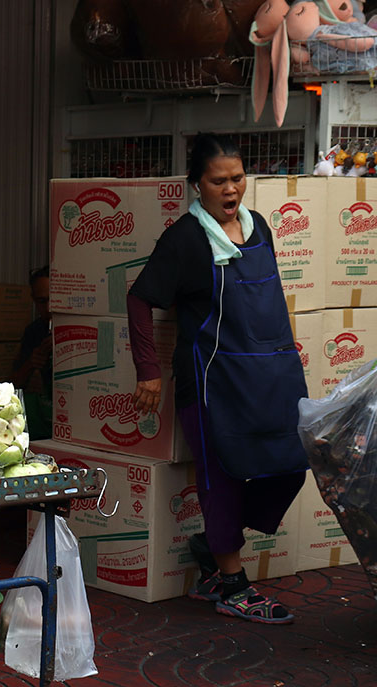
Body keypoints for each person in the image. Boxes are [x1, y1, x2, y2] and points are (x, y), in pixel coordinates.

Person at [128, 133, 306, 624]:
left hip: (269, 379)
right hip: (211, 383)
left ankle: (214, 540)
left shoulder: (261, 228)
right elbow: (139, 299)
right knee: (222, 481)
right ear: (196, 186)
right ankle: (229, 583)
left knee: (293, 462)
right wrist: (148, 371)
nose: (231, 190)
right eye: (218, 181)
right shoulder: (186, 238)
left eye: (237, 178)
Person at [10, 265, 53, 437]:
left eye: (54, 299)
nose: (49, 308)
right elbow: (13, 384)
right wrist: (31, 363)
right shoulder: (34, 331)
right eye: (42, 301)